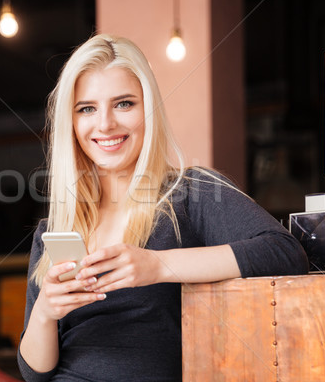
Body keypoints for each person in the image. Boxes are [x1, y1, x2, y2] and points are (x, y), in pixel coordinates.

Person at [17, 34, 308, 382]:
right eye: (87, 108)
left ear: (149, 108)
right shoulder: (57, 226)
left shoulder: (191, 192)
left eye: (124, 103)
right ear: (73, 123)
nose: (105, 123)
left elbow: (285, 253)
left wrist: (157, 265)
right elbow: (34, 374)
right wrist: (46, 313)